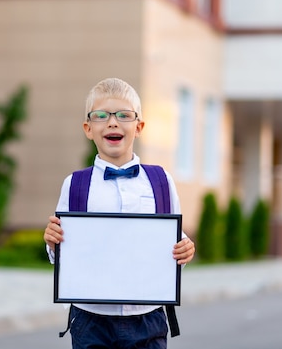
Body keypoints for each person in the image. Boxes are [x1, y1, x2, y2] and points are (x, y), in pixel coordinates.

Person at [43, 77, 196, 349]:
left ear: (139, 127)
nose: (112, 122)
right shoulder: (75, 185)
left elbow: (173, 241)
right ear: (88, 129)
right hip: (91, 319)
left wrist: (184, 250)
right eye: (101, 116)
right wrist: (53, 242)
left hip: (147, 317)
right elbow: (63, 252)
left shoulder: (161, 181)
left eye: (123, 115)